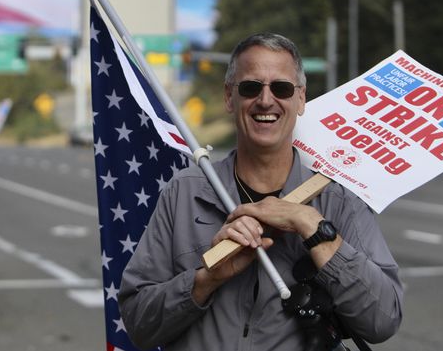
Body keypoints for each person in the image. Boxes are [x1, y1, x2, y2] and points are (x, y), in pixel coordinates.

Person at [119, 33, 403, 351]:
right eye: (251, 87)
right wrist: (206, 279)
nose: (266, 100)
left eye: (281, 88)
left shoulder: (338, 199)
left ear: (300, 99)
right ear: (230, 97)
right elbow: (137, 323)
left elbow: (383, 319)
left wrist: (313, 227)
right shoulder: (184, 193)